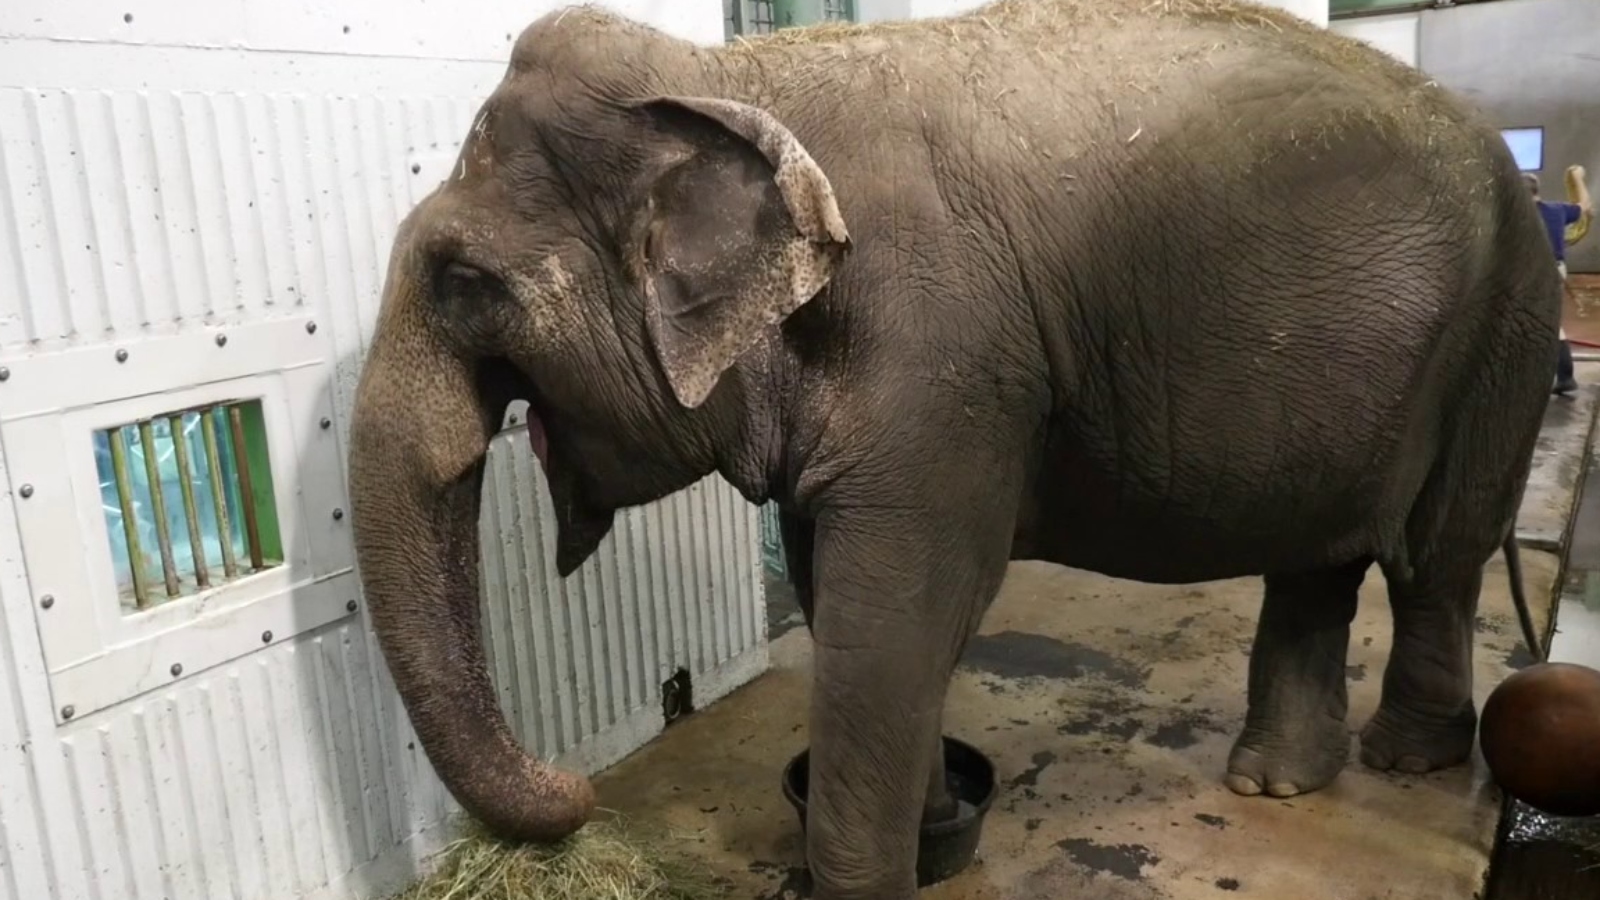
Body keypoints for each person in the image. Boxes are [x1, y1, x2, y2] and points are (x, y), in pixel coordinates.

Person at [1526, 167, 1591, 395]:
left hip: (1534, 272)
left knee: (1542, 321)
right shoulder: (1557, 210)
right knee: (1544, 319)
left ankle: (1564, 376)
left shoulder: (1517, 216)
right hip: (1556, 269)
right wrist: (1578, 179)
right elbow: (1584, 206)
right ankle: (1561, 375)